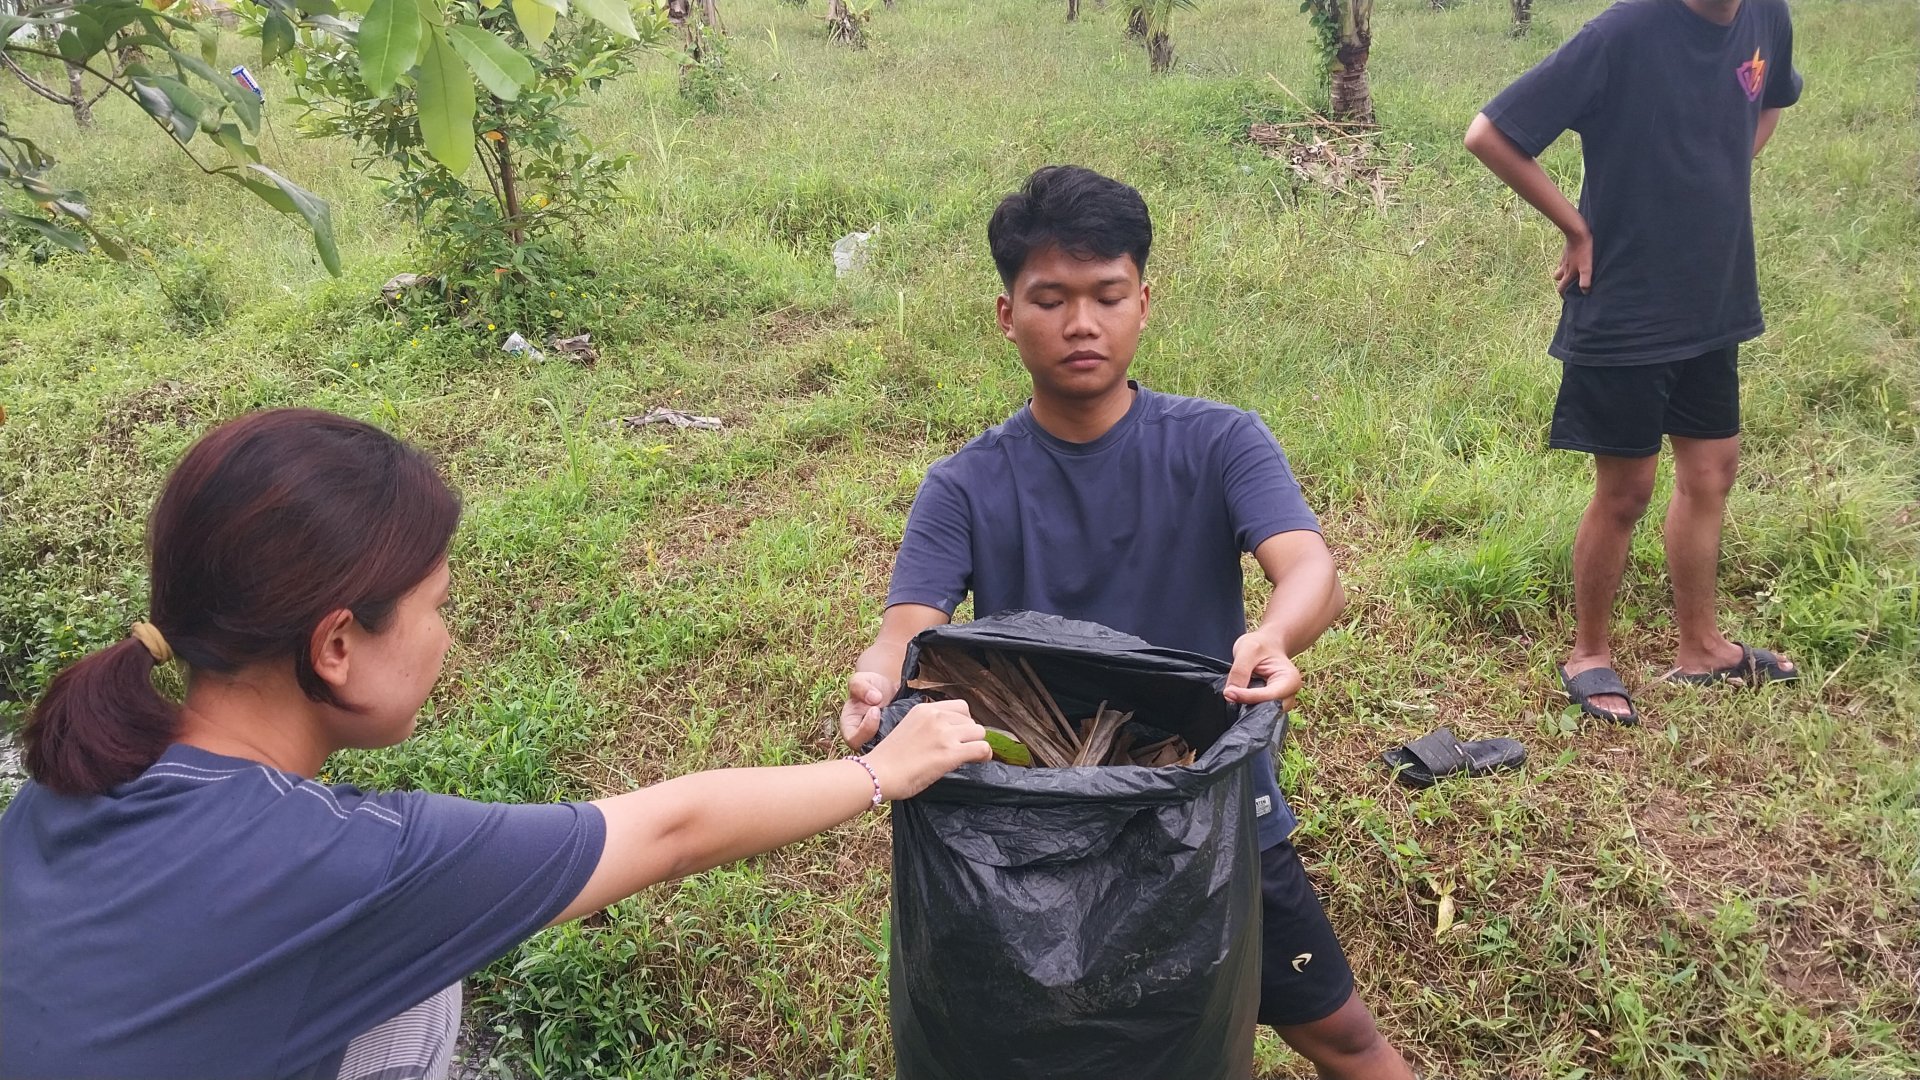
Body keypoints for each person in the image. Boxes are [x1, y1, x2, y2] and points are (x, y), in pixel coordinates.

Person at [0, 408, 990, 1080]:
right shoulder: (354, 864)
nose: (449, 634)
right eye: (439, 605)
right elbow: (671, 830)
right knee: (421, 982)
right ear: (338, 645)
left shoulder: (77, 776)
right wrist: (880, 771)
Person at [839, 166, 1413, 1079]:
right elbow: (911, 621)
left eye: (1106, 295)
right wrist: (880, 674)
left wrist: (1273, 635)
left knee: (1342, 1035)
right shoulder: (966, 484)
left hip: (1208, 809)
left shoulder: (1220, 441)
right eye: (1050, 298)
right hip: (1036, 838)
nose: (1080, 324)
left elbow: (1310, 570)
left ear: (1143, 303)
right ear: (1005, 315)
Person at [1464, 0, 1803, 725]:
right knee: (1627, 490)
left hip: (1713, 294)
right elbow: (1490, 133)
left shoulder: (1767, 16)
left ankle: (1703, 648)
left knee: (1712, 471)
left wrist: (1714, 167)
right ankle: (1589, 653)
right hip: (1623, 302)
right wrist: (1576, 227)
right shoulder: (1621, 34)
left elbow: (1769, 103)